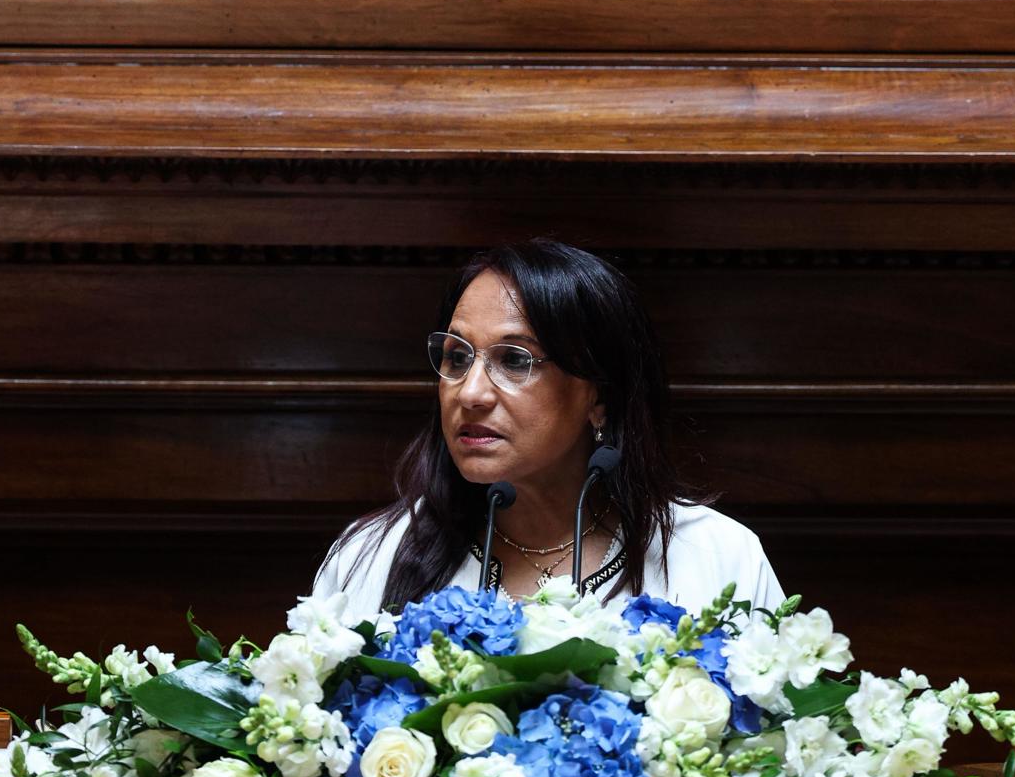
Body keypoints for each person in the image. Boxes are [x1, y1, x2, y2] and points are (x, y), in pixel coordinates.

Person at [313, 238, 782, 615]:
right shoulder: (369, 557)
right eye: (457, 356)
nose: (471, 392)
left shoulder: (716, 556)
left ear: (598, 395)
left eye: (514, 360)